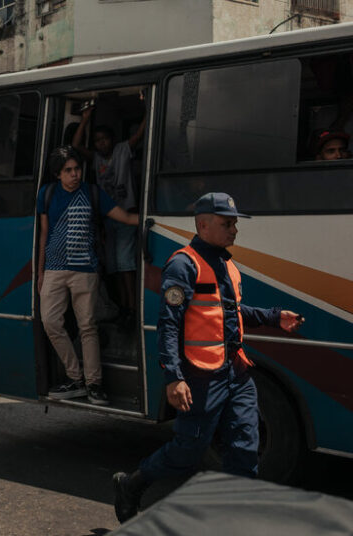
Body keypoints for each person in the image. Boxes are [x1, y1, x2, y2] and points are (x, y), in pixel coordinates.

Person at [112, 192, 304, 523]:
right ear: (203, 224)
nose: (234, 230)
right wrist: (174, 377)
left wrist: (274, 317)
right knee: (188, 452)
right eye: (226, 223)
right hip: (201, 376)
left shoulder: (227, 263)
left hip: (237, 373)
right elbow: (169, 325)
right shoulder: (183, 265)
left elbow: (230, 311)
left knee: (245, 448)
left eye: (234, 224)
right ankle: (132, 484)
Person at [38, 147, 139, 405]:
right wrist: (40, 273)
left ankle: (93, 384)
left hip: (86, 272)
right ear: (58, 174)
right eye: (68, 171)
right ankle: (75, 377)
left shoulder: (93, 193)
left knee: (88, 328)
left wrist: (156, 217)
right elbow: (44, 235)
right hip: (54, 270)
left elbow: (126, 217)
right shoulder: (47, 194)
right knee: (50, 322)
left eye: (77, 169)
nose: (75, 175)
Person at [72, 98, 147, 323]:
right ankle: (123, 306)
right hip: (107, 218)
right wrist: (84, 120)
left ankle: (132, 308)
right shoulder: (95, 159)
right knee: (113, 266)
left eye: (104, 139)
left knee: (125, 265)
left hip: (126, 214)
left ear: (112, 140)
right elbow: (76, 147)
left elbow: (141, 133)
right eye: (97, 141)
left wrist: (149, 107)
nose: (101, 143)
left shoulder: (124, 150)